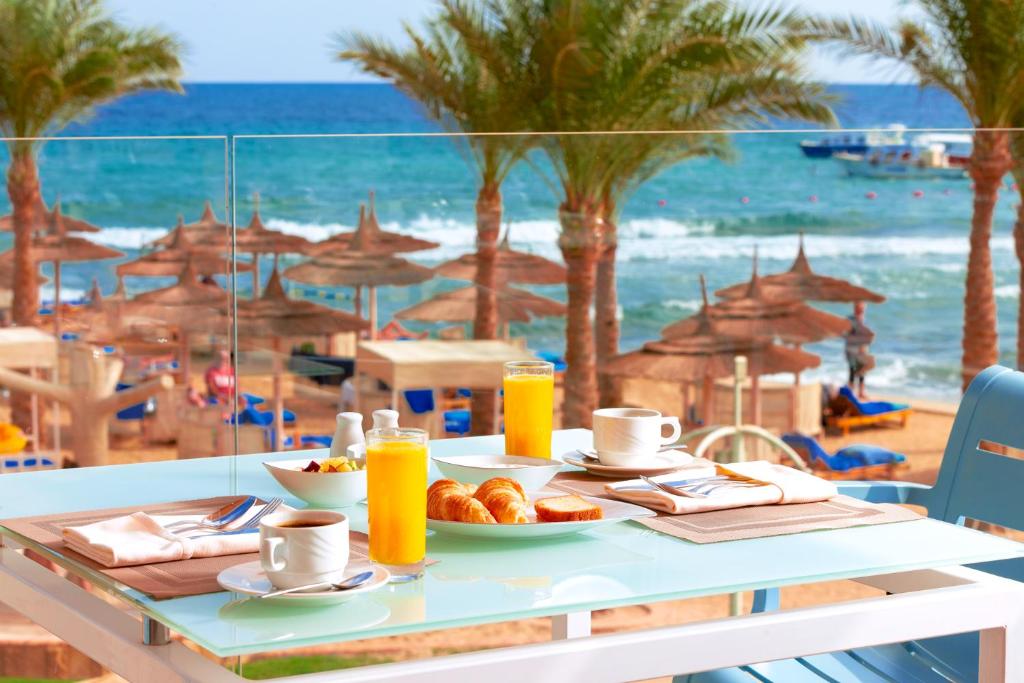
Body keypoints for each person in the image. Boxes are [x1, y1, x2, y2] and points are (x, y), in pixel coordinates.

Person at [843, 301, 875, 399]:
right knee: (852, 370)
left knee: (862, 371)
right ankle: (851, 391)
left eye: (862, 308)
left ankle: (861, 392)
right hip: (851, 350)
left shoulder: (864, 320)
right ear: (854, 308)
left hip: (862, 350)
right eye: (859, 308)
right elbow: (846, 334)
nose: (861, 310)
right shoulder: (850, 320)